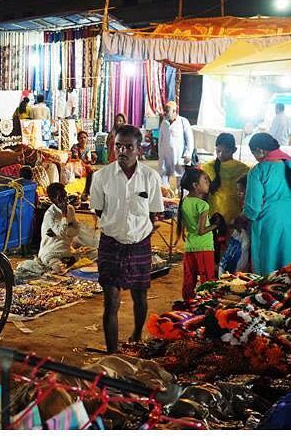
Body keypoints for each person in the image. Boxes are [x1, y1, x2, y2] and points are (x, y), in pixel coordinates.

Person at [90, 125, 164, 350]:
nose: (122, 150)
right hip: (110, 243)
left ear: (139, 149)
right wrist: (117, 226)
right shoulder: (101, 176)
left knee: (140, 296)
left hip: (140, 242)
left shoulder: (150, 177)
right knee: (111, 300)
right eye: (118, 146)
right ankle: (112, 352)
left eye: (128, 146)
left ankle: (137, 335)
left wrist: (137, 230)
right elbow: (98, 210)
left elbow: (153, 213)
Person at [243, 133, 291, 276]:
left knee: (271, 268)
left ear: (260, 151)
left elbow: (253, 207)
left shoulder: (258, 170)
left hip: (270, 222)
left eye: (254, 153)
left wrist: (243, 217)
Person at [177, 167, 218, 302]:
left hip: (189, 246)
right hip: (204, 246)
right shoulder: (203, 205)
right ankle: (207, 304)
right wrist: (216, 225)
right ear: (195, 185)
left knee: (190, 278)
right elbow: (201, 231)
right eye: (205, 180)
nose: (208, 183)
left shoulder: (185, 201)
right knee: (207, 280)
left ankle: (188, 304)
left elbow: (185, 227)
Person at [202, 133, 249, 226]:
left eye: (226, 151)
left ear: (234, 150)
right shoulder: (207, 167)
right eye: (218, 151)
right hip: (213, 215)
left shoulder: (243, 170)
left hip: (234, 217)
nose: (221, 154)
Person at [158, 102, 194, 186]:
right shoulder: (164, 123)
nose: (165, 113)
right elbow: (161, 140)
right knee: (163, 176)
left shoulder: (183, 121)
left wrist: (188, 154)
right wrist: (160, 154)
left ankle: (181, 196)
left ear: (174, 111)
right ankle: (166, 195)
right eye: (165, 111)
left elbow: (189, 139)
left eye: (167, 111)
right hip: (165, 156)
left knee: (181, 179)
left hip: (179, 156)